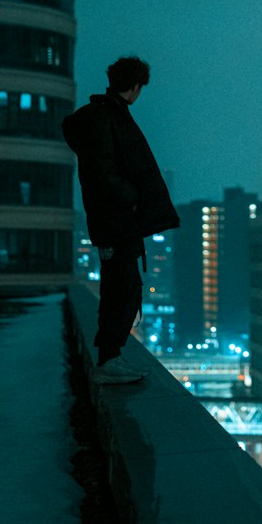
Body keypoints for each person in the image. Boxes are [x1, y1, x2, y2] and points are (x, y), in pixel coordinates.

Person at [62, 55, 179, 384]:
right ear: (136, 86)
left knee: (122, 286)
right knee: (121, 287)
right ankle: (109, 359)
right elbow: (103, 172)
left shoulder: (104, 115)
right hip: (116, 220)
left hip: (113, 220)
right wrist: (133, 195)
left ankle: (111, 356)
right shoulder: (107, 117)